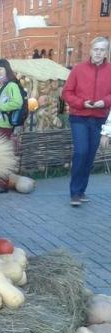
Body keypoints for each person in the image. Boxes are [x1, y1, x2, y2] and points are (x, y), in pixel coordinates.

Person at [62, 36, 111, 206]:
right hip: (79, 117)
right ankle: (74, 193)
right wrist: (82, 103)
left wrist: (104, 102)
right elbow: (67, 93)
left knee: (90, 156)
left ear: (106, 52)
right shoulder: (78, 69)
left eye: (102, 50)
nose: (98, 53)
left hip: (99, 119)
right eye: (96, 49)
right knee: (81, 151)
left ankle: (81, 191)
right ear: (90, 50)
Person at [0, 59, 24, 193]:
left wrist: (0, 107)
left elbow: (17, 102)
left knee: (0, 155)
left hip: (3, 124)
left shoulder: (11, 85)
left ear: (6, 70)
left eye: (0, 69)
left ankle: (2, 184)